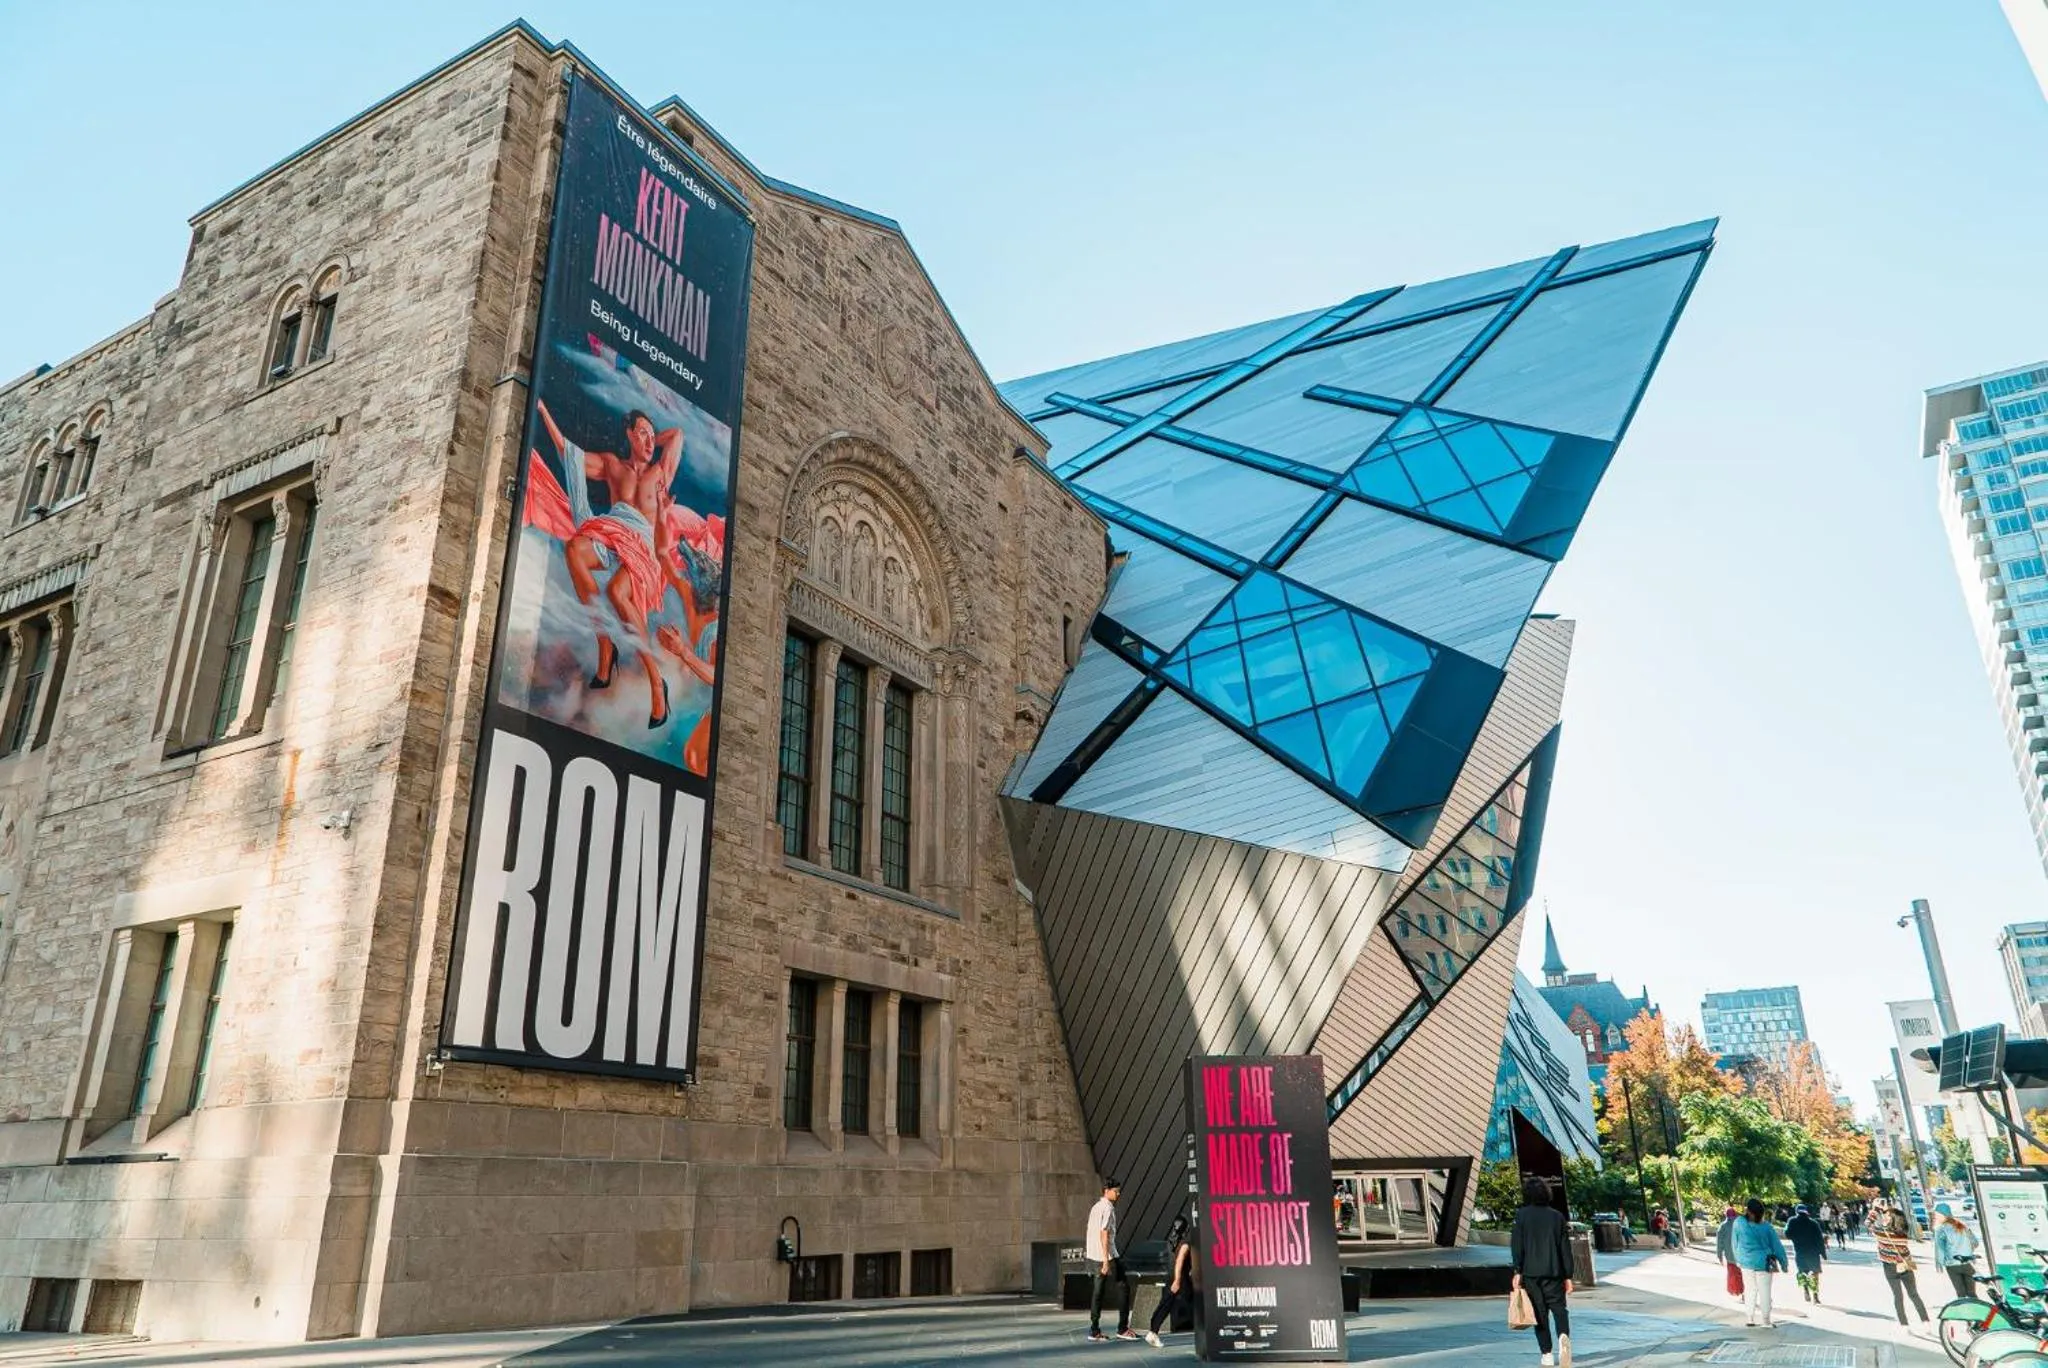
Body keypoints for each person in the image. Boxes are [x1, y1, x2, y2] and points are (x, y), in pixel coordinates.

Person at [533, 399, 685, 728]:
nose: (649, 441)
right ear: (628, 434)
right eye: (641, 434)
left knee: (618, 591)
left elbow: (676, 436)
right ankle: (604, 641)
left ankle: (656, 681)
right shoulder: (613, 465)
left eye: (652, 436)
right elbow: (569, 454)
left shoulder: (661, 473)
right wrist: (544, 412)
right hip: (612, 534)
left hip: (644, 547)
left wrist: (650, 434)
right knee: (574, 549)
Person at [1510, 1175, 1573, 1367]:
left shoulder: (1522, 1216)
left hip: (1531, 1272)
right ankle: (1563, 1336)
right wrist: (1568, 1276)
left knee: (1539, 1313)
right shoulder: (1557, 1217)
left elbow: (1517, 1245)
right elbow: (1565, 1248)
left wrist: (1518, 1270)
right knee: (1559, 1309)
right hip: (1554, 1272)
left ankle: (1547, 1353)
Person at [1086, 1178, 1137, 1342]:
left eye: (1119, 1191)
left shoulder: (1095, 1207)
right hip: (1107, 1255)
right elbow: (1104, 1233)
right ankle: (1122, 1328)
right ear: (1106, 1191)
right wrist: (1106, 1260)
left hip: (1093, 1254)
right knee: (1123, 1287)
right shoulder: (1107, 1208)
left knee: (1098, 1292)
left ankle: (1094, 1329)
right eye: (1116, 1191)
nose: (1118, 1194)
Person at [1731, 1198, 1789, 1328]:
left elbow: (1734, 1243)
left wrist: (1737, 1259)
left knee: (1749, 1290)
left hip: (1746, 1263)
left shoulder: (1739, 1223)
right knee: (1765, 1292)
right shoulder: (1767, 1227)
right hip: (1764, 1263)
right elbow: (1777, 1246)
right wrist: (1784, 1263)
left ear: (1748, 1210)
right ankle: (1766, 1321)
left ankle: (1750, 1318)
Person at [1144, 1214, 1196, 1348]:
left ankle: (1153, 1331)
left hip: (1173, 1277)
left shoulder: (1174, 1241)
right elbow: (1179, 1261)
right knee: (1168, 1304)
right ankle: (1153, 1332)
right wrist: (1178, 1280)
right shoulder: (1185, 1243)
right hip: (1179, 1279)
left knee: (1166, 1303)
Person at [1874, 1205, 1930, 1326]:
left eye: (1887, 1216)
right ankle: (1925, 1321)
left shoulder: (1883, 1233)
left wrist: (1875, 1209)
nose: (1885, 1217)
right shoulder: (1903, 1233)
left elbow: (1869, 1224)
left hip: (1889, 1266)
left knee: (1898, 1296)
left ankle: (1904, 1324)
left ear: (1892, 1219)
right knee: (1914, 1294)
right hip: (1905, 1264)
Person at [1934, 1203, 1980, 1299]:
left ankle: (1964, 1308)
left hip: (1952, 1265)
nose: (1936, 1217)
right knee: (1972, 1293)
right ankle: (1976, 1308)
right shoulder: (1962, 1226)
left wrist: (1939, 1264)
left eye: (1937, 1214)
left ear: (1944, 1215)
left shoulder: (1940, 1230)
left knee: (1961, 1294)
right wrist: (1967, 1251)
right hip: (1967, 1263)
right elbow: (1975, 1242)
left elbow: (1940, 1249)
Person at [1785, 1203, 1828, 1304]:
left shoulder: (1792, 1221)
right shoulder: (1813, 1223)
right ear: (1807, 1212)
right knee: (1815, 1273)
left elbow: (1787, 1234)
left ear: (1797, 1212)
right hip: (1813, 1253)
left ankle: (1806, 1290)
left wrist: (1796, 1237)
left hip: (1800, 1252)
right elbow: (1819, 1239)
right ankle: (1815, 1295)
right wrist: (1823, 1253)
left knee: (1802, 1272)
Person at [1716, 1206, 1742, 1299]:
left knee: (1732, 1274)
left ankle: (1736, 1291)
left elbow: (1719, 1243)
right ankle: (1743, 1291)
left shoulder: (1722, 1226)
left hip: (1730, 1256)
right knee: (1741, 1274)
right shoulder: (1740, 1225)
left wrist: (1719, 1255)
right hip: (1741, 1255)